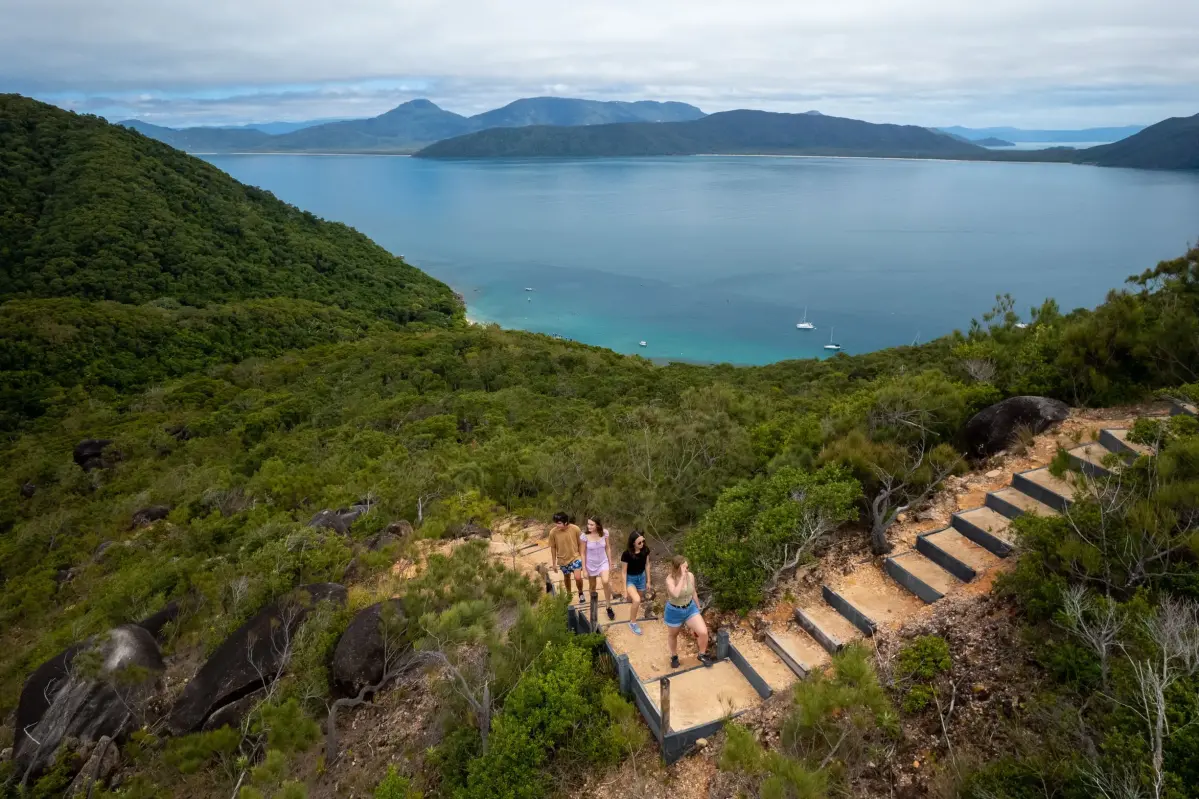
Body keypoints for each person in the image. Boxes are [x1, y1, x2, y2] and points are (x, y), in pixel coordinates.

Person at [664, 555, 714, 668]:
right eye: (684, 568)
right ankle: (674, 656)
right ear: (677, 568)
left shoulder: (690, 576)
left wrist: (697, 606)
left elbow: (693, 592)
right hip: (674, 611)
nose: (687, 570)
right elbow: (675, 594)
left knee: (703, 632)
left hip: (690, 608)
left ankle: (702, 654)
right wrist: (681, 578)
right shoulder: (670, 580)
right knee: (673, 635)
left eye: (687, 567)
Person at [581, 517, 616, 620]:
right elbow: (582, 553)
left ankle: (608, 606)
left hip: (603, 562)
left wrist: (610, 562)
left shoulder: (604, 533)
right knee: (592, 587)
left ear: (597, 525)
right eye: (588, 524)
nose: (589, 526)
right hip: (590, 564)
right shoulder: (584, 536)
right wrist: (584, 568)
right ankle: (593, 605)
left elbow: (608, 547)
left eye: (592, 524)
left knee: (605, 581)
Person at [547, 511, 584, 603]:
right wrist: (554, 563)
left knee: (578, 577)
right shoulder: (553, 532)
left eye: (559, 523)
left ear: (566, 522)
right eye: (555, 522)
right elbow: (553, 547)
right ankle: (569, 594)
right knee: (566, 577)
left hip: (575, 557)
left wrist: (582, 556)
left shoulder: (575, 529)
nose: (556, 525)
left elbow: (580, 544)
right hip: (562, 559)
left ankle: (580, 592)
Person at [620, 530, 650, 635]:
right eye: (639, 542)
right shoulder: (626, 554)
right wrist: (624, 589)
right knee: (636, 600)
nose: (642, 544)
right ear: (633, 543)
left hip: (641, 578)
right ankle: (632, 622)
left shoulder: (645, 550)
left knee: (638, 599)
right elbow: (623, 572)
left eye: (643, 541)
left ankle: (630, 601)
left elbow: (647, 565)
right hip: (630, 579)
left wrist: (648, 581)